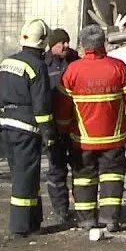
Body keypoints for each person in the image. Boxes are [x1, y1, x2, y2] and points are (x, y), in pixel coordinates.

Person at [59, 25, 126, 233]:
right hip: (113, 137)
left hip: (83, 139)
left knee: (83, 177)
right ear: (103, 43)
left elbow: (62, 106)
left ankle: (86, 219)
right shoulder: (118, 67)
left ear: (82, 45)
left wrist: (61, 129)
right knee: (112, 176)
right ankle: (110, 219)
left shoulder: (73, 70)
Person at [0, 19, 55, 238]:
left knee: (24, 175)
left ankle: (33, 221)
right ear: (45, 42)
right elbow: (41, 105)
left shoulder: (8, 62)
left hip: (7, 125)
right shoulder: (37, 66)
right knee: (24, 178)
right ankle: (20, 227)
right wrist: (48, 132)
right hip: (26, 128)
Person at [44, 28, 80, 227]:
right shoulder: (44, 64)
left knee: (80, 168)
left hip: (76, 125)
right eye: (61, 43)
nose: (66, 45)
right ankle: (61, 211)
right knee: (57, 170)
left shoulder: (76, 61)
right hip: (55, 127)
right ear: (52, 45)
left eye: (67, 42)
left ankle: (83, 208)